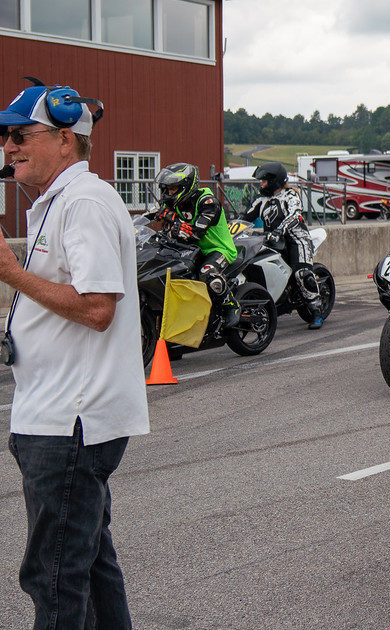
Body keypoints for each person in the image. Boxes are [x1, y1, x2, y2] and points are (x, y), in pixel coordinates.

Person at [0, 80, 148, 629]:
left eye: (20, 135)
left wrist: (12, 274)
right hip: (59, 415)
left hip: (70, 421)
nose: (9, 146)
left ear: (66, 141)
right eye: (6, 137)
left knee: (54, 577)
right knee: (88, 564)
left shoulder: (82, 202)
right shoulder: (63, 201)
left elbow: (96, 308)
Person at [153, 162, 241, 325]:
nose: (169, 193)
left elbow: (194, 233)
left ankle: (230, 304)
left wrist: (171, 218)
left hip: (217, 249)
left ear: (186, 186)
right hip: (191, 250)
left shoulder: (208, 202)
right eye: (168, 189)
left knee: (206, 272)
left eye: (174, 188)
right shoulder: (173, 203)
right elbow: (153, 215)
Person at [243, 161, 325, 328]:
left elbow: (294, 216)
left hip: (296, 239)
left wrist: (279, 231)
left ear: (274, 180)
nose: (261, 184)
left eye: (264, 181)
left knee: (301, 273)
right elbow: (244, 218)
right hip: (271, 241)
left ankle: (316, 310)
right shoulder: (261, 200)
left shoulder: (291, 195)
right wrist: (231, 228)